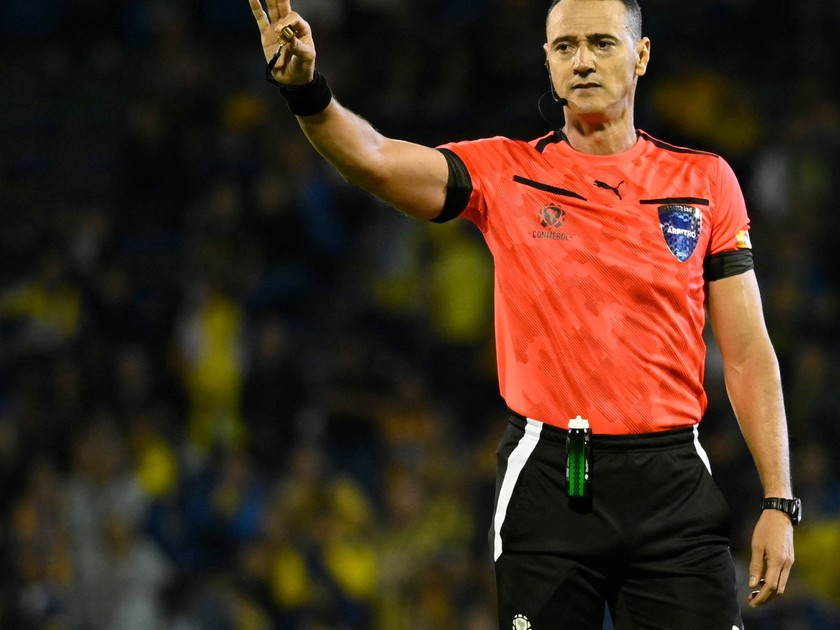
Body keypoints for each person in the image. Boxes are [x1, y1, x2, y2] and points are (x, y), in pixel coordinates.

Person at [247, 0, 797, 627]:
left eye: (602, 43)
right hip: (548, 477)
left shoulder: (705, 181)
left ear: (641, 56)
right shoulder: (505, 173)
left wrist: (779, 500)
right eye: (565, 47)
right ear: (547, 61)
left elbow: (748, 353)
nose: (582, 61)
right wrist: (306, 91)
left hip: (671, 481)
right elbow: (372, 157)